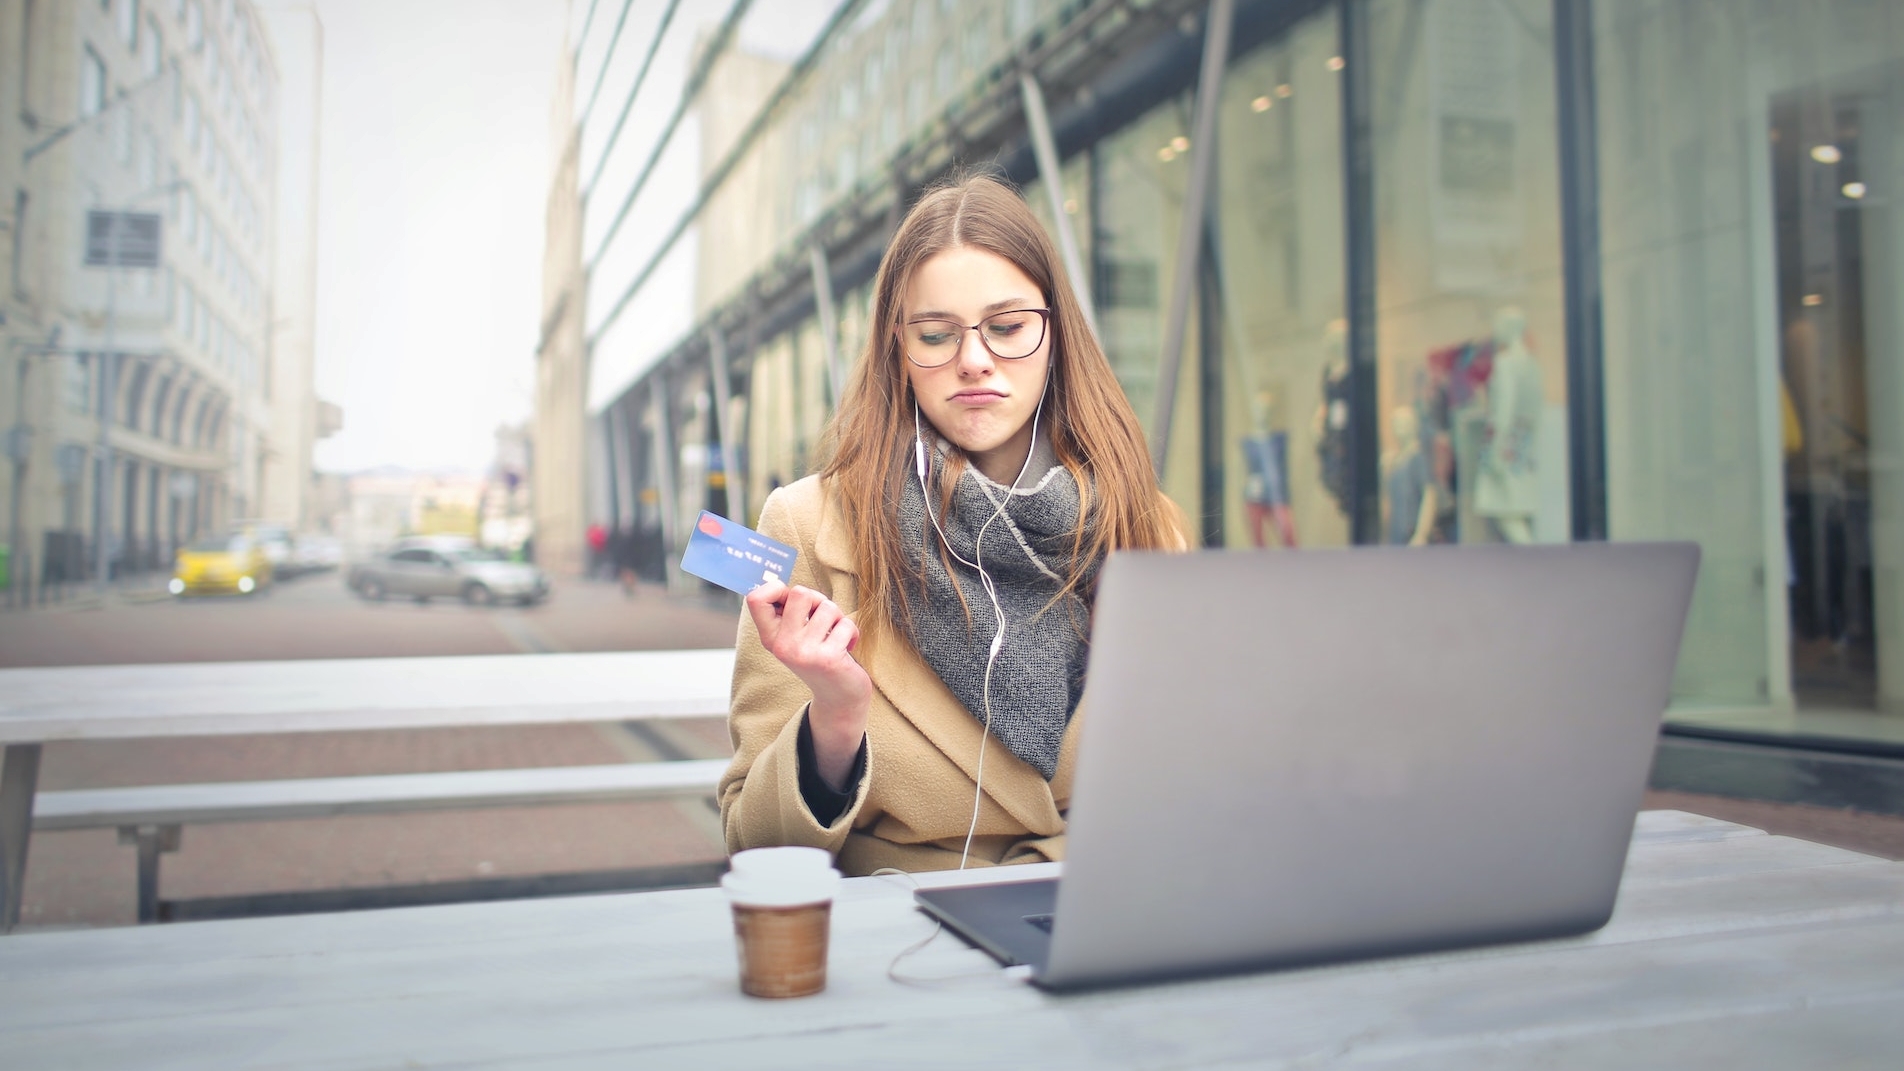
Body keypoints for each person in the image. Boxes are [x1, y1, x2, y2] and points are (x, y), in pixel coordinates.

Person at [719, 174, 1185, 876]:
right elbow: (753, 842)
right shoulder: (804, 523)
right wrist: (835, 722)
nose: (974, 359)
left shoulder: (1147, 526)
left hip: (1104, 915)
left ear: (1055, 335)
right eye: (935, 334)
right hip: (904, 941)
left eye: (1007, 327)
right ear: (897, 352)